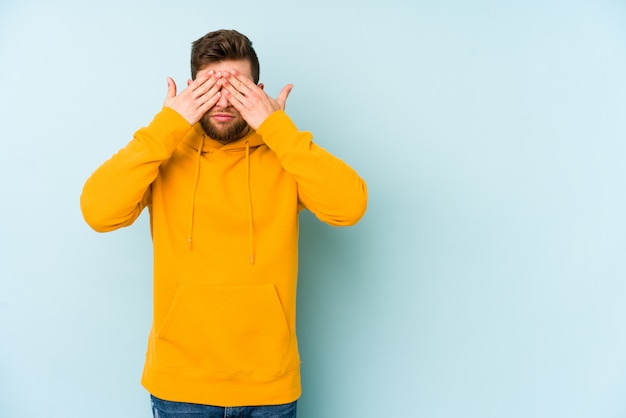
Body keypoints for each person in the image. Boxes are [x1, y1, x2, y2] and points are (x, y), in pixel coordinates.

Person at [80, 29, 367, 418]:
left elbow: (349, 207)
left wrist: (277, 128)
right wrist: (167, 125)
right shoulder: (165, 152)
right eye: (211, 87)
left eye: (237, 88)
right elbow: (99, 212)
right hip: (180, 386)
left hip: (269, 387)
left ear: (259, 92)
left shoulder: (285, 153)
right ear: (190, 91)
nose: (224, 101)